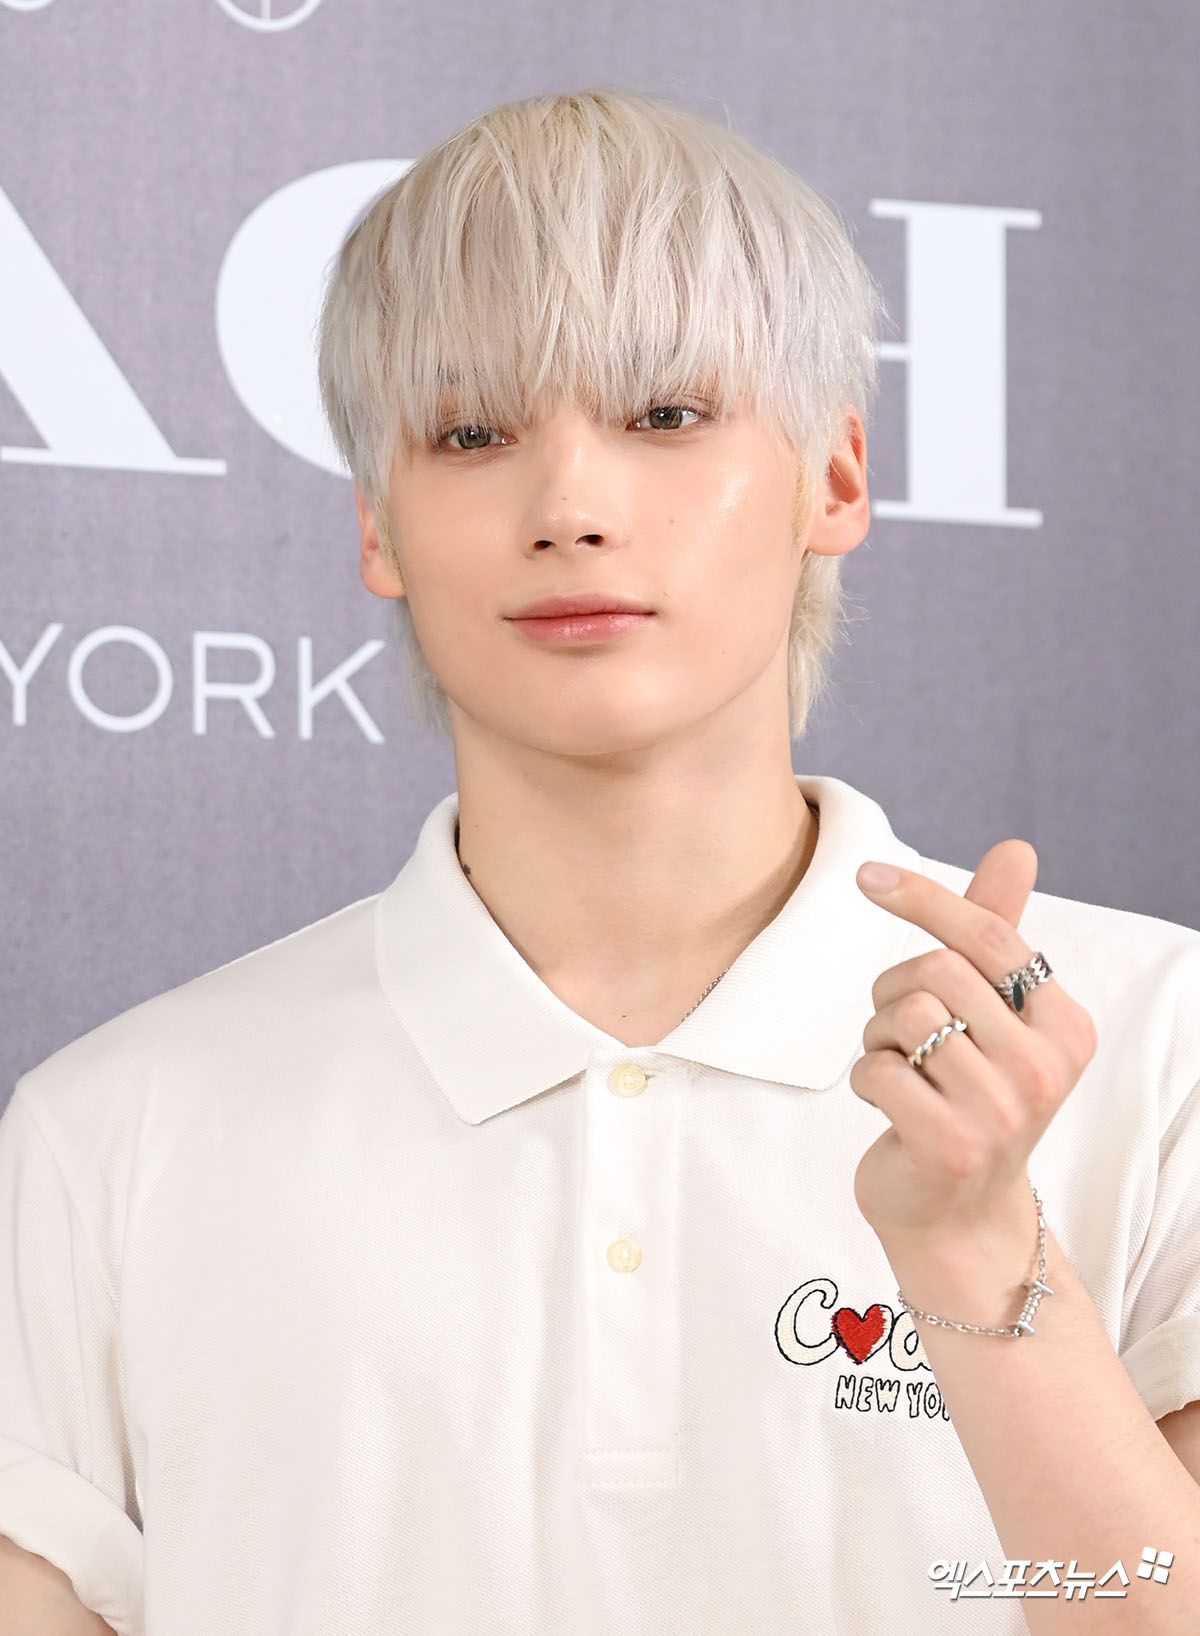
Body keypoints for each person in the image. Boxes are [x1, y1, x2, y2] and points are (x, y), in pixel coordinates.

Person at [1, 86, 1198, 1636]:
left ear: (835, 479)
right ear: (378, 528)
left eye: (664, 416)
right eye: (470, 433)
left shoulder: (1158, 1039)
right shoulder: (109, 1133)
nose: (567, 507)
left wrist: (977, 1250)